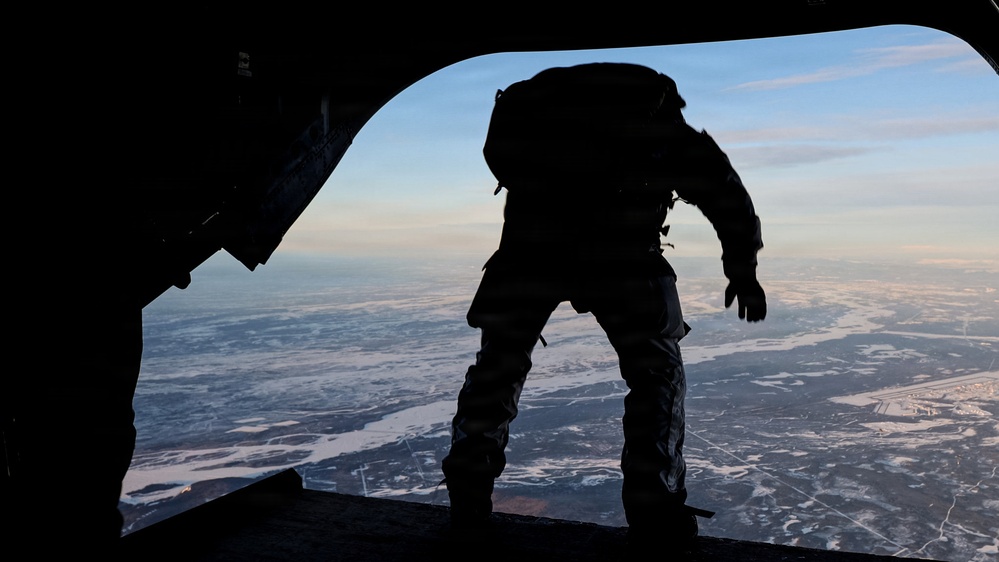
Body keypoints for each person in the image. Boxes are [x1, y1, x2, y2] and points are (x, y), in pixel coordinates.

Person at [440, 62, 767, 549]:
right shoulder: (662, 125)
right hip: (626, 259)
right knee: (656, 375)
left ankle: (468, 494)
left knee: (498, 370)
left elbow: (500, 159)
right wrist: (742, 271)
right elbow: (725, 194)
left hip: (529, 254)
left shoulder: (534, 118)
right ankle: (655, 512)